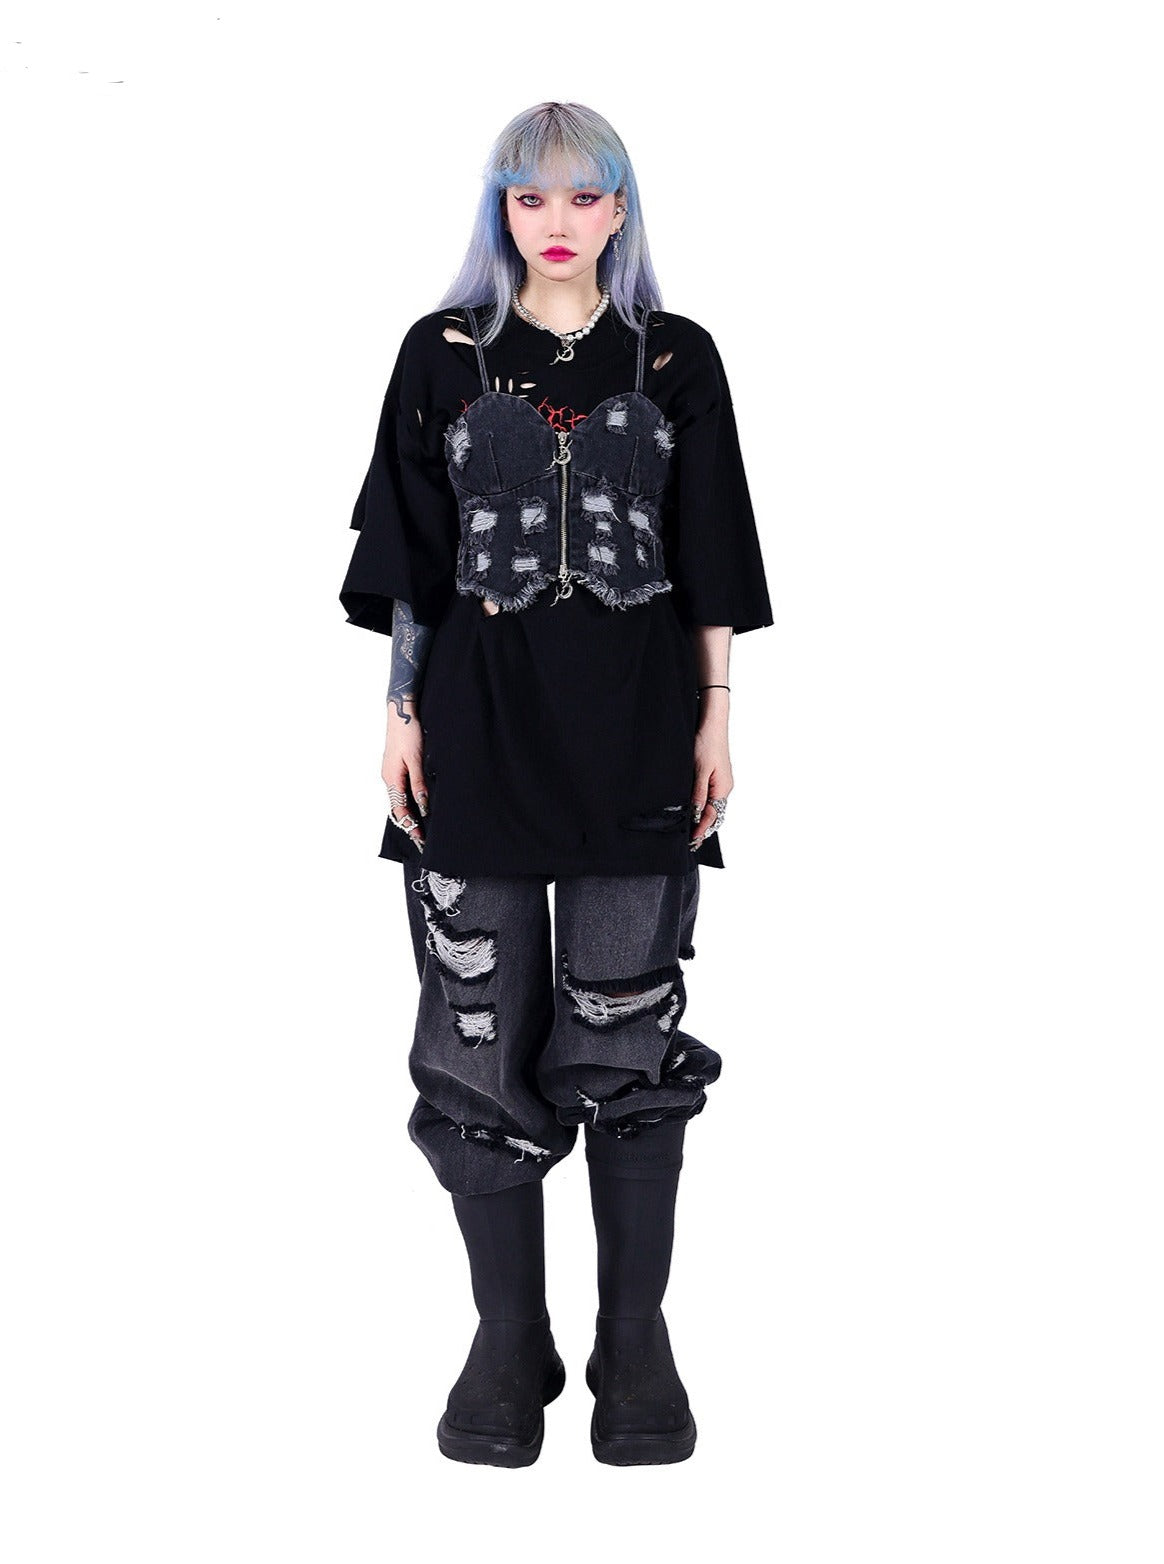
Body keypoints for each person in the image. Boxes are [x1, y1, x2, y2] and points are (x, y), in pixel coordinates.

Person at [339, 101, 773, 1467]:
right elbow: (411, 552)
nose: (560, 222)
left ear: (621, 208)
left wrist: (717, 714)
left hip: (638, 727)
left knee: (625, 1027)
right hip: (474, 725)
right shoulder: (442, 352)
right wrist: (397, 708)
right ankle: (505, 1337)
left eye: (586, 196)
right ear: (502, 211)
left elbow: (711, 546)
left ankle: (633, 1342)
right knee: (475, 1027)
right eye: (532, 197)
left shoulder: (675, 354)